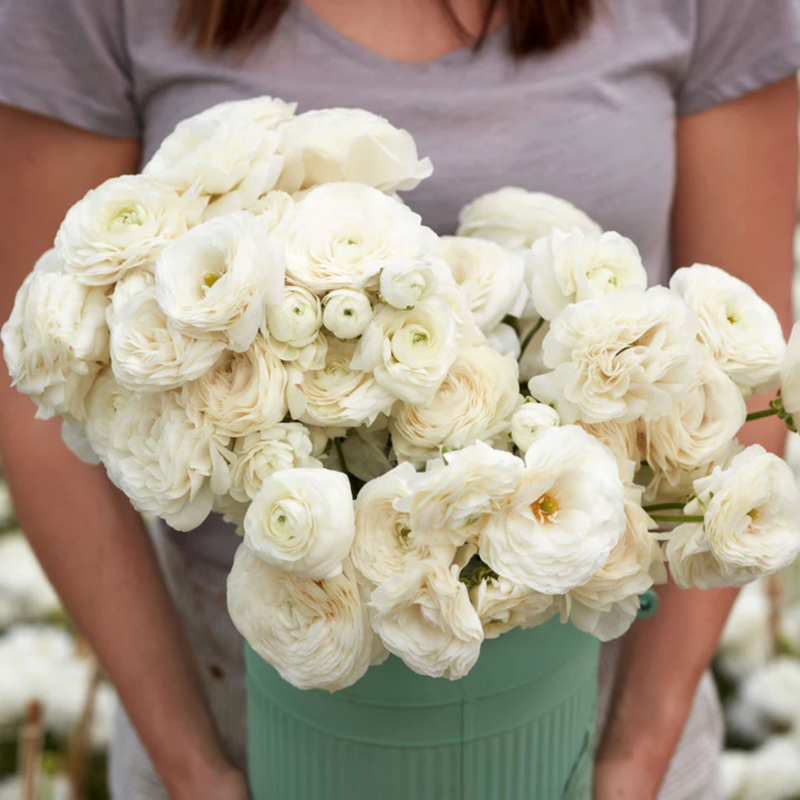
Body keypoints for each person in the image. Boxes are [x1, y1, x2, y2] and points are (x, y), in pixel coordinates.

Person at [0, 0, 798, 797]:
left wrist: (634, 756)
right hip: (226, 689)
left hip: (611, 688)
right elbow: (41, 375)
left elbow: (747, 359)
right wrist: (193, 766)